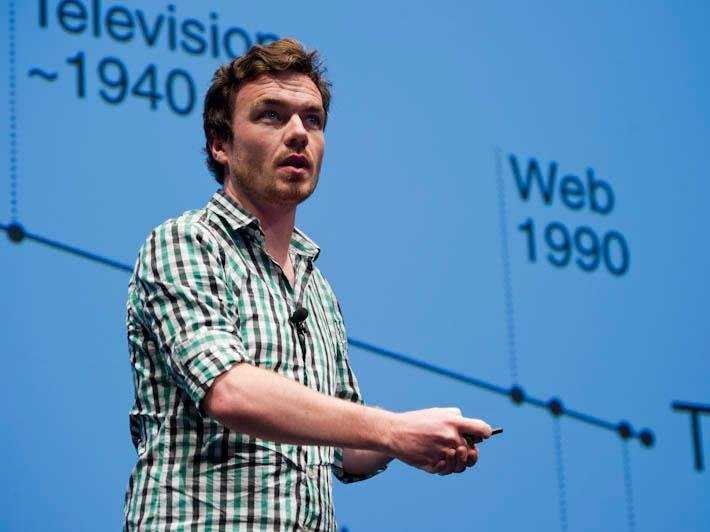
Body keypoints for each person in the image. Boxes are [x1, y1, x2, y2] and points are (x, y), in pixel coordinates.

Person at [123, 37, 493, 531]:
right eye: (271, 116)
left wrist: (416, 438)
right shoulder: (186, 242)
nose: (298, 133)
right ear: (220, 145)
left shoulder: (317, 289)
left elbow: (343, 448)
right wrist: (393, 430)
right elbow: (229, 390)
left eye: (313, 120)